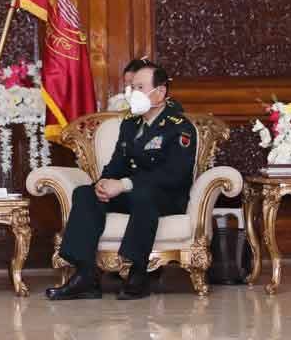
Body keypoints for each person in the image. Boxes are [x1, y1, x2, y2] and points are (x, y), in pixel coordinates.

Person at [46, 62, 197, 301]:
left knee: (143, 196)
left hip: (166, 196)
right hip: (132, 191)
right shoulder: (130, 124)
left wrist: (124, 184)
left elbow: (173, 174)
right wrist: (104, 182)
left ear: (160, 92)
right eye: (132, 86)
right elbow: (118, 162)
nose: (133, 92)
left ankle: (138, 273)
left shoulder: (179, 126)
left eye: (140, 87)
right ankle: (86, 275)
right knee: (85, 194)